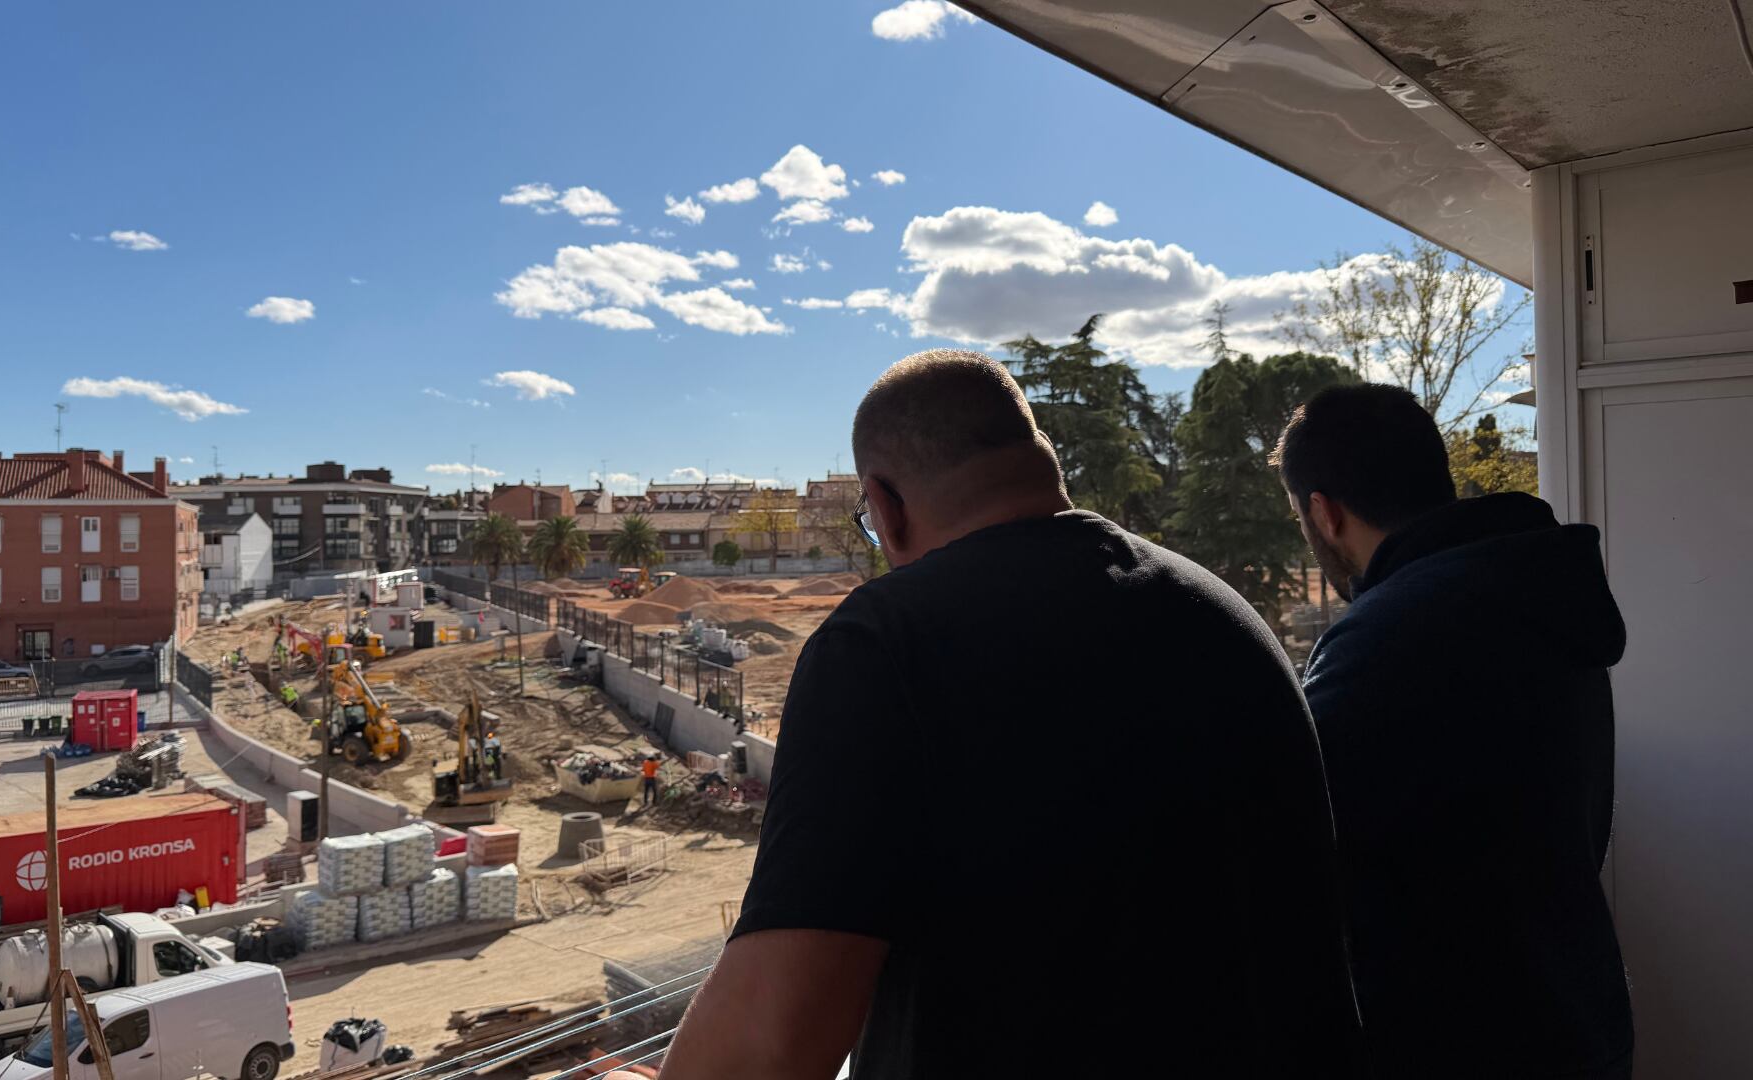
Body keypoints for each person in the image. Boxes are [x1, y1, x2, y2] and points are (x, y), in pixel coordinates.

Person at [662, 350, 1359, 1079]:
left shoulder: (886, 642)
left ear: (887, 505)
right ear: (1042, 462)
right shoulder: (1225, 620)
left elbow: (775, 1039)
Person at [1273, 383, 1633, 1078]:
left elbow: (1299, 847)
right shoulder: (1531, 589)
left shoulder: (1386, 638)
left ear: (1324, 511)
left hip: (1459, 1036)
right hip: (1577, 1011)